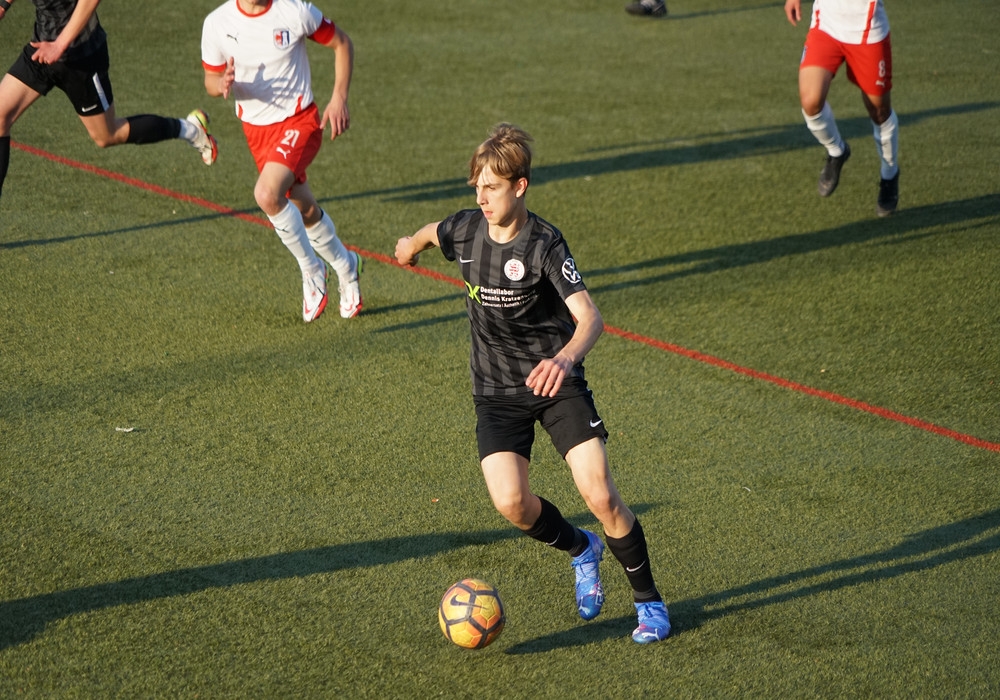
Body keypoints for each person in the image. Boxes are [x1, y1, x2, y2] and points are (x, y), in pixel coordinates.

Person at [394, 124, 671, 644]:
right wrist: (410, 246)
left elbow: (590, 318)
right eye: (477, 187)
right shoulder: (467, 230)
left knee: (600, 494)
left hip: (555, 382)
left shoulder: (545, 243)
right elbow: (435, 231)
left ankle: (649, 602)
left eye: (492, 188)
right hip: (496, 390)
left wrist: (564, 360)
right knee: (512, 503)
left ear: (520, 187)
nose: (482, 198)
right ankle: (581, 549)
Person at [200, 0, 361, 322]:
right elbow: (210, 80)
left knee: (266, 194)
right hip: (256, 132)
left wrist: (339, 98)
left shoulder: (294, 10)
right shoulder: (217, 22)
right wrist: (221, 84)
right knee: (304, 209)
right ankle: (347, 265)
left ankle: (311, 269)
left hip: (300, 121)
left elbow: (342, 43)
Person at [0, 0, 218, 206]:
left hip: (81, 56)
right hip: (41, 49)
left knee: (107, 135)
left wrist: (60, 45)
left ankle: (190, 130)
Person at [785, 0, 899, 217]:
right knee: (810, 101)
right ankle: (837, 151)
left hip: (867, 31)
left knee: (879, 111)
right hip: (826, 27)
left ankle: (889, 174)